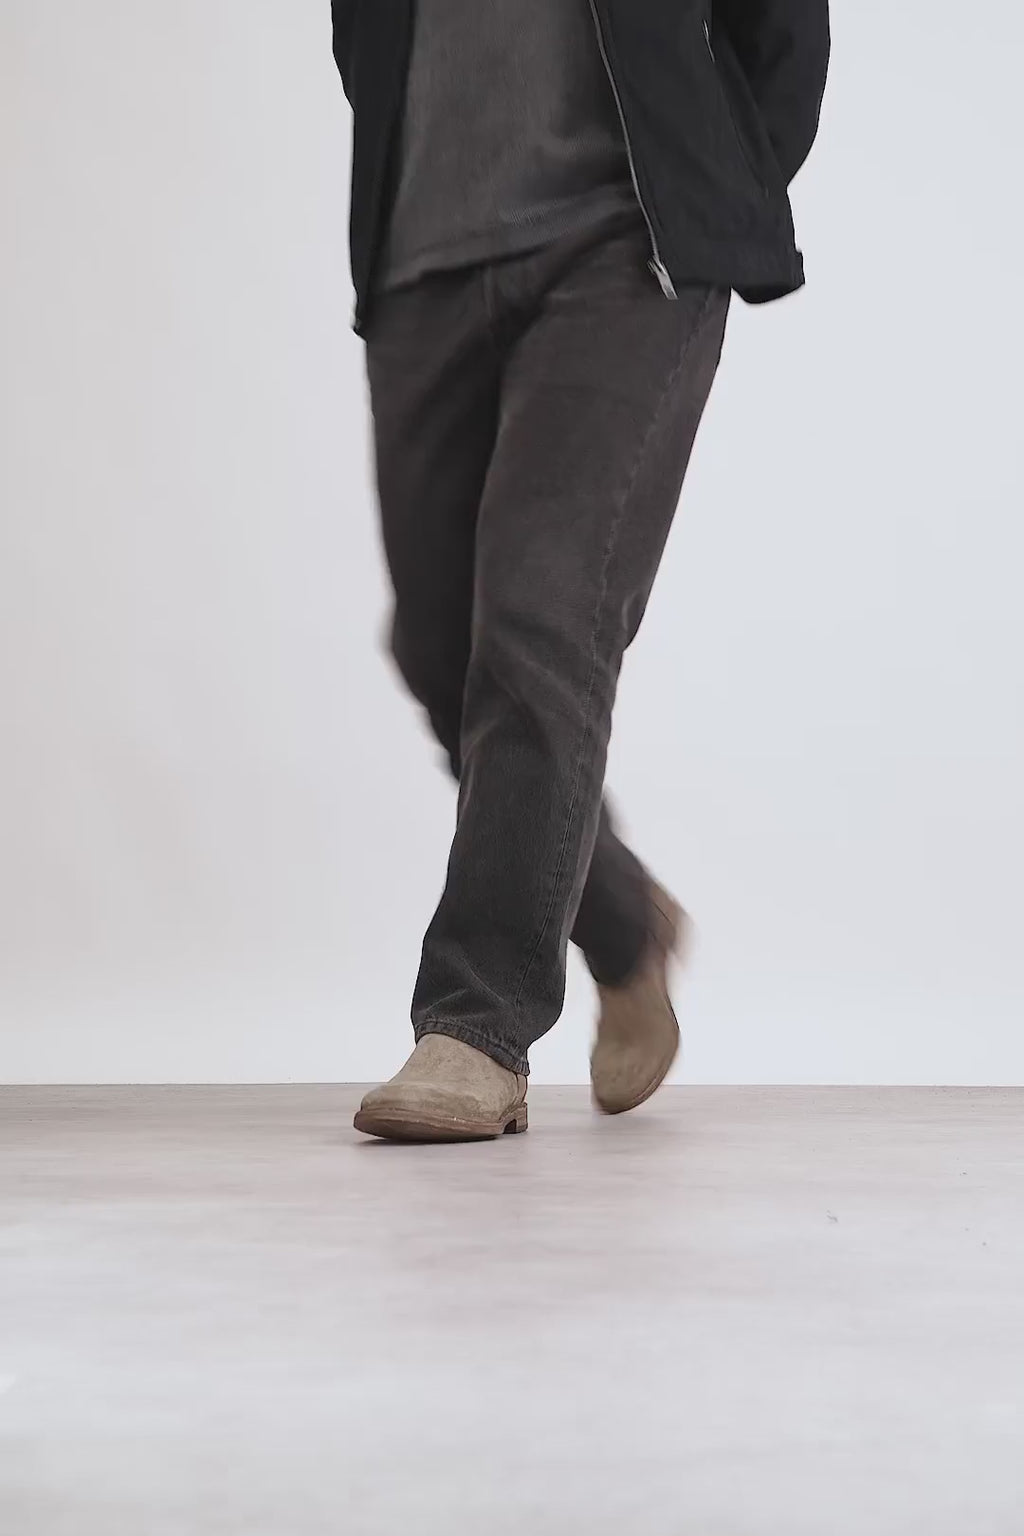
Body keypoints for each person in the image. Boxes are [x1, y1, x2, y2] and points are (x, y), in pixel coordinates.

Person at [331, 0, 829, 1141]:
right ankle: (622, 923)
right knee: (437, 647)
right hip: (422, 252)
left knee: (542, 615)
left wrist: (718, 187)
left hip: (624, 249)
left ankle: (477, 1024)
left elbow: (783, 31)